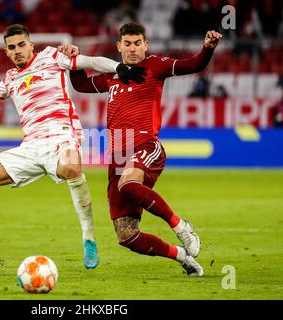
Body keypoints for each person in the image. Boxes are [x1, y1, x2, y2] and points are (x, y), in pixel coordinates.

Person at [0, 24, 145, 274]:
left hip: (62, 136)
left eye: (22, 45)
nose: (18, 50)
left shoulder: (52, 57)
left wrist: (117, 67)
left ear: (31, 45)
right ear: (7, 52)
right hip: (31, 146)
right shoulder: (11, 79)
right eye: (12, 47)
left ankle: (89, 239)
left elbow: (90, 60)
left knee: (70, 167)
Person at [68, 22, 222, 276]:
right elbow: (81, 85)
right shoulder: (113, 75)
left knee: (128, 184)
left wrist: (207, 48)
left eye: (137, 43)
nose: (132, 48)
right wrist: (74, 60)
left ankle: (180, 225)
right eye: (127, 44)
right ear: (119, 46)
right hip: (118, 157)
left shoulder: (155, 66)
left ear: (145, 45)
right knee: (126, 235)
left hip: (146, 145)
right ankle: (181, 256)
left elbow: (193, 65)